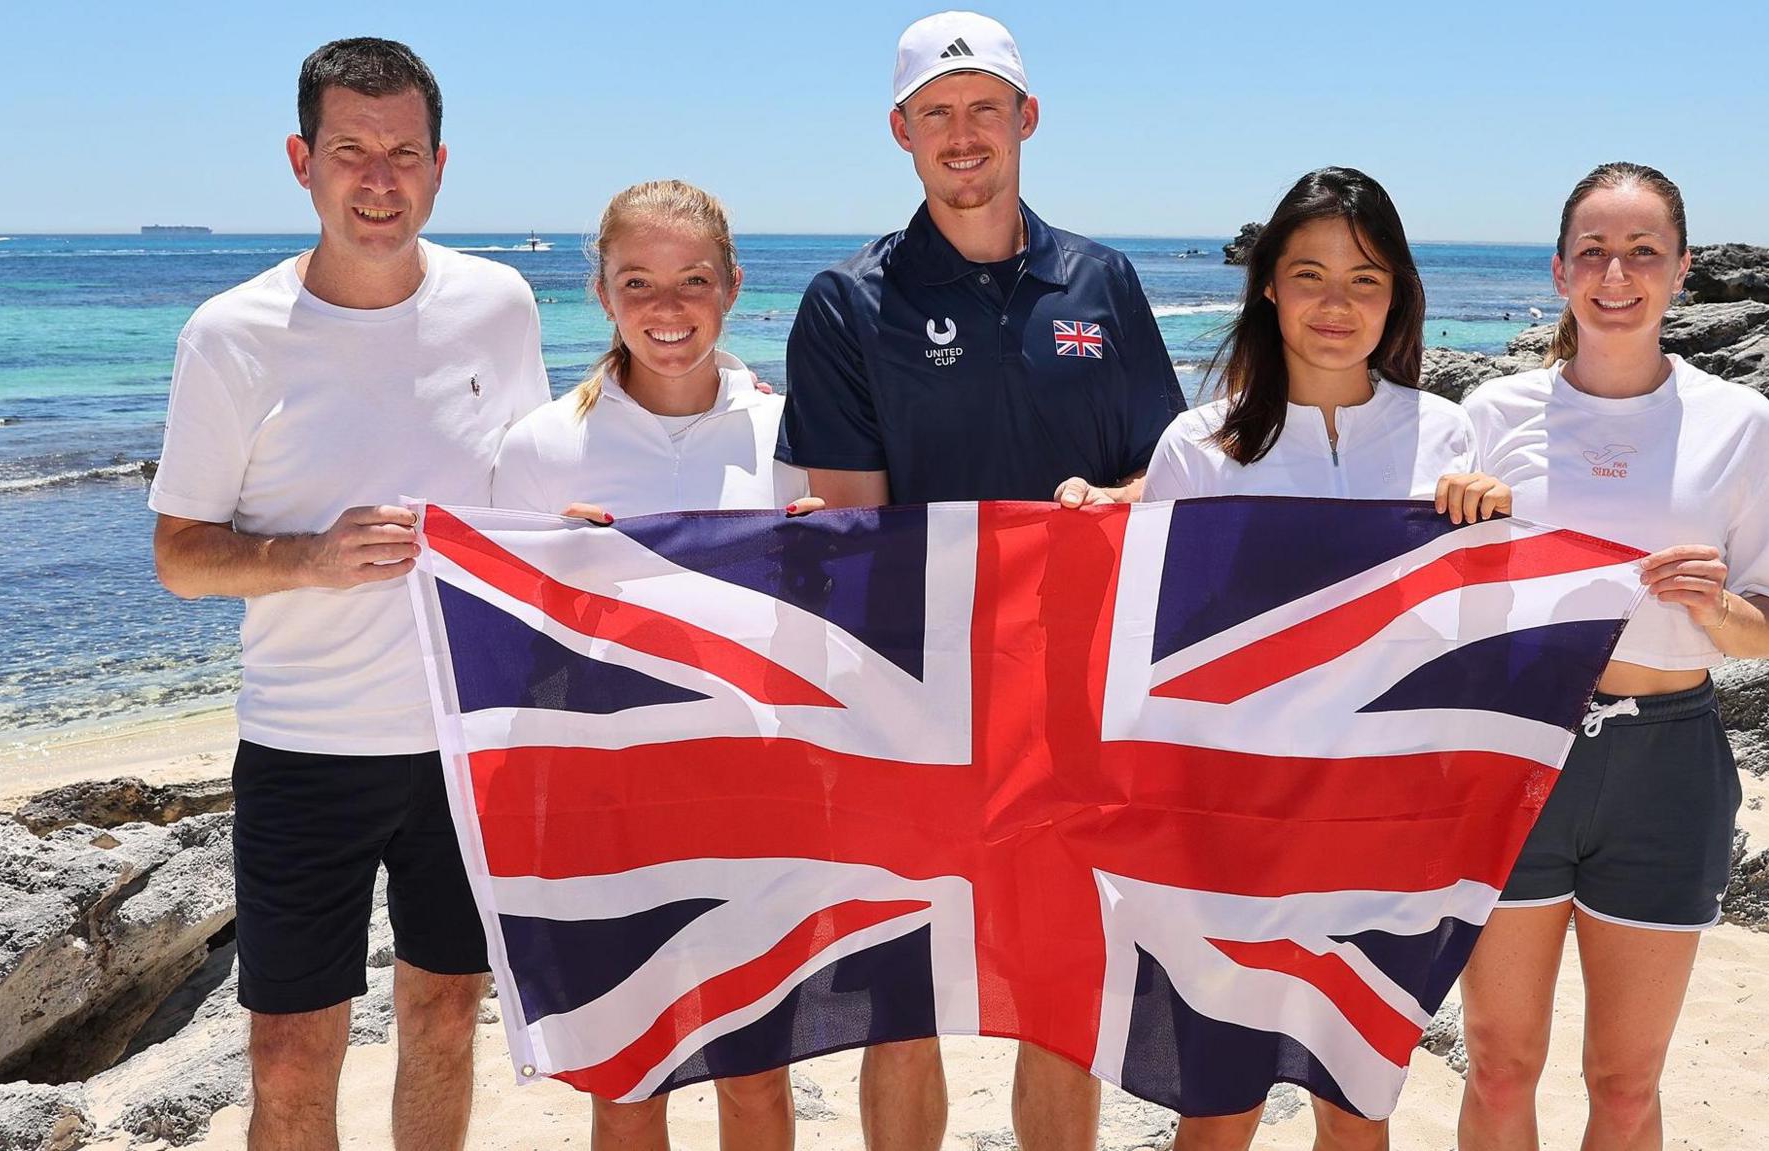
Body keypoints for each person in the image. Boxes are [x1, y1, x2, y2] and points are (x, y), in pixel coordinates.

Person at [778, 11, 1186, 1149]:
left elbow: (1164, 473)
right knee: (898, 1005)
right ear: (901, 131)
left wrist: (1117, 504)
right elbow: (856, 527)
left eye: (984, 109)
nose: (964, 136)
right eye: (938, 113)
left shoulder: (1100, 281)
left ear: (1026, 119)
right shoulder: (845, 300)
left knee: (1060, 995)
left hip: (1074, 698)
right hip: (906, 699)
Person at [147, 39, 549, 1151]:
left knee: (440, 1014)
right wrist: (305, 560)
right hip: (301, 746)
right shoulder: (230, 336)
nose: (380, 180)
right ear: (301, 160)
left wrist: (708, 401)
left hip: (467, 744)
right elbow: (180, 554)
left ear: (439, 165)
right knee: (286, 1048)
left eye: (404, 154)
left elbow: (539, 476)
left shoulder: (500, 303)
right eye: (350, 152)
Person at [1143, 167, 1504, 1151]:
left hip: (1385, 817)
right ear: (1267, 285)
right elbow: (1149, 646)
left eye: (1364, 278)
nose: (1335, 305)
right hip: (1232, 824)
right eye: (1308, 274)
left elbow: (1468, 628)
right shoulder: (1196, 448)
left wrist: (1488, 526)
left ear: (1396, 295)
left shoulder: (1445, 433)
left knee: (1357, 1106)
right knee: (1216, 1107)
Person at [1448, 162, 1769, 1151]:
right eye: (1593, 252)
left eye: (1642, 252)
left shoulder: (1739, 423)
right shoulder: (1485, 416)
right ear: (1558, 270)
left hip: (1665, 762)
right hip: (1515, 752)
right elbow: (1431, 603)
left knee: (1621, 1081)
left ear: (1680, 269)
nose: (1617, 273)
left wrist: (1714, 601)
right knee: (1498, 1059)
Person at [489, 179, 804, 1151]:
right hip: (604, 810)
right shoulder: (544, 447)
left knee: (754, 1080)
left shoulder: (790, 436)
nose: (666, 310)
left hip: (753, 799)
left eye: (692, 280)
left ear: (733, 286)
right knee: (628, 1085)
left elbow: (841, 626)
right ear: (601, 290)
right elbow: (501, 654)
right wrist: (552, 574)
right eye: (637, 281)